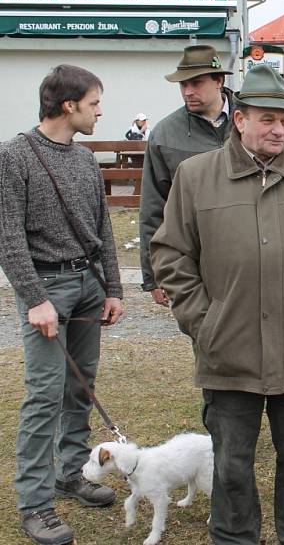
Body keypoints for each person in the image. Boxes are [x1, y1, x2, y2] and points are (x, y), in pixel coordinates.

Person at [149, 64, 284, 545]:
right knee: (233, 465)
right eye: (267, 119)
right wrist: (204, 322)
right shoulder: (196, 177)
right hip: (228, 354)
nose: (279, 130)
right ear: (240, 120)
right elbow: (171, 253)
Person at [0, 65, 124, 545]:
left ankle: (71, 471)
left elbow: (103, 230)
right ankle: (35, 504)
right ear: (68, 105)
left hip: (89, 284)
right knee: (43, 396)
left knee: (80, 385)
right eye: (94, 103)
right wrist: (36, 300)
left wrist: (113, 288)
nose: (99, 111)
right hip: (46, 288)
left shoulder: (87, 160)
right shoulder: (14, 157)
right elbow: (8, 237)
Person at [139, 44, 233, 307]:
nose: (188, 91)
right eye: (183, 85)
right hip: (196, 259)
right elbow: (153, 208)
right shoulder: (165, 135)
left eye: (196, 83)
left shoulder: (250, 121)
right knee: (206, 336)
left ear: (219, 80)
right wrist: (154, 277)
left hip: (253, 256)